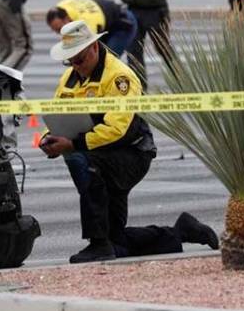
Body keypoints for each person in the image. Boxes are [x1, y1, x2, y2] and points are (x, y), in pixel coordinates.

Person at [39, 20, 219, 263]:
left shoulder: (119, 77)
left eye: (79, 59)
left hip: (130, 154)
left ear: (94, 47)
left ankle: (98, 243)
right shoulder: (71, 77)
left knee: (82, 162)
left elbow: (116, 129)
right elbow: (57, 115)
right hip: (101, 152)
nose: (75, 66)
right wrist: (47, 138)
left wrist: (72, 145)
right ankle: (181, 231)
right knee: (118, 243)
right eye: (70, 61)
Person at [45, 0, 137, 59]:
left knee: (106, 60)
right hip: (105, 19)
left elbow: (87, 51)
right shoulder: (62, 7)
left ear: (67, 19)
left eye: (59, 29)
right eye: (55, 30)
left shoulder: (86, 23)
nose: (59, 33)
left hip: (122, 24)